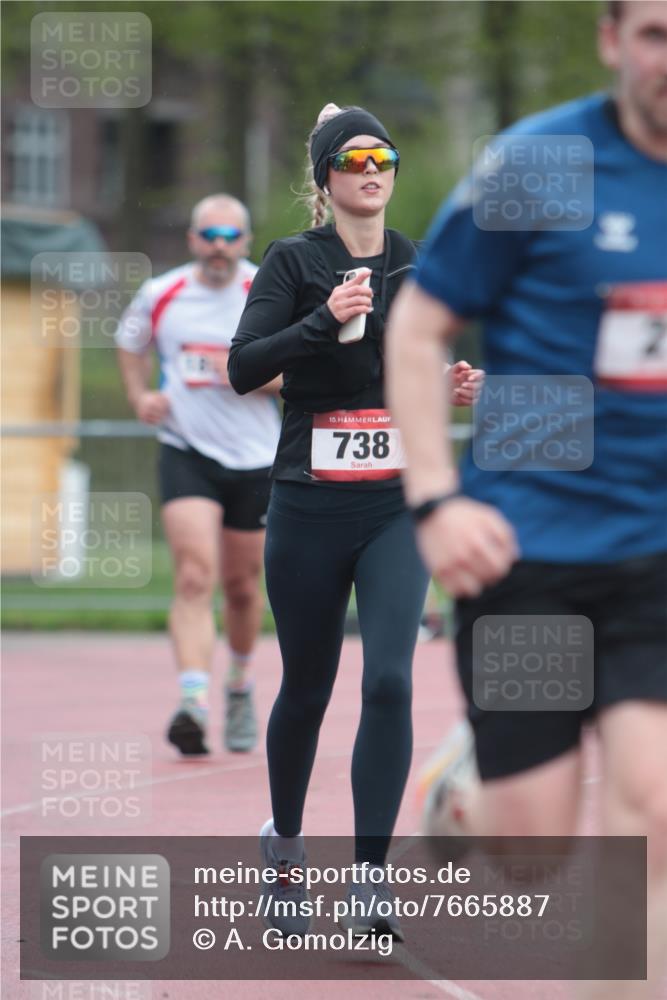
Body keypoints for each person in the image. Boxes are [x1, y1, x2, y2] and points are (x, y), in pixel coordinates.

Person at [386, 1, 666, 994]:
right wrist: (434, 502)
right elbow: (418, 331)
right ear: (610, 40)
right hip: (531, 550)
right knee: (533, 858)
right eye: (655, 34)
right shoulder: (540, 164)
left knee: (652, 818)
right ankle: (462, 796)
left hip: (656, 556)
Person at [228, 103, 483, 939]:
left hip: (391, 503)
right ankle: (286, 848)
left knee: (390, 679)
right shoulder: (292, 260)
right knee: (307, 686)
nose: (371, 169)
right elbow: (241, 368)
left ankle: (370, 876)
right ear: (325, 178)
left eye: (384, 157)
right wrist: (320, 320)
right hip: (306, 500)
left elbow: (413, 362)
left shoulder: (418, 262)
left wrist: (445, 383)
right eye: (352, 157)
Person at [116, 194, 282, 757]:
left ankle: (237, 684)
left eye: (230, 236)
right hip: (186, 448)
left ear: (246, 240)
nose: (219, 245)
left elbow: (304, 369)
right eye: (208, 234)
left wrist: (245, 375)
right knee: (194, 574)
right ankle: (193, 702)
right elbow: (129, 342)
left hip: (255, 456)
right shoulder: (162, 293)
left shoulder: (266, 290)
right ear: (192, 239)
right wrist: (141, 397)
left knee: (240, 587)